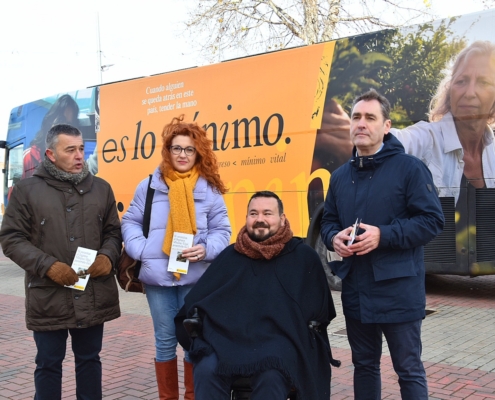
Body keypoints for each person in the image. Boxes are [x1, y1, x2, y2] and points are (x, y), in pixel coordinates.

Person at [320, 90, 444, 400]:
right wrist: (333, 237)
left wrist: (383, 235)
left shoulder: (410, 168)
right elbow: (327, 223)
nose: (361, 123)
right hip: (357, 291)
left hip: (399, 291)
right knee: (363, 366)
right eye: (356, 117)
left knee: (408, 368)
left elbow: (432, 221)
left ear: (386, 126)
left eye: (370, 118)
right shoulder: (339, 177)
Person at [175, 191, 339, 400]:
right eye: (253, 213)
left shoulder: (303, 257)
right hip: (227, 338)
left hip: (280, 340)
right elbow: (199, 301)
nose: (260, 219)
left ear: (282, 219)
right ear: (246, 218)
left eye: (267, 213)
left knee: (272, 372)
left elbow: (319, 312)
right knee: (207, 368)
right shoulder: (230, 255)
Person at [0, 123, 122, 400]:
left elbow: (113, 231)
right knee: (48, 363)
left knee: (90, 360)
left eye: (82, 149)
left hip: (92, 293)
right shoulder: (26, 191)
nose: (79, 155)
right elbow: (11, 239)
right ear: (51, 154)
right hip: (48, 295)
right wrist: (48, 266)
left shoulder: (101, 188)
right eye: (71, 150)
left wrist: (108, 256)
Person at [121, 114, 231, 400]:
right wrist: (141, 250)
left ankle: (193, 396)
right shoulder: (149, 186)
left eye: (189, 149)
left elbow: (223, 230)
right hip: (158, 280)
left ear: (198, 153)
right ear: (167, 151)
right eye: (177, 148)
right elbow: (130, 222)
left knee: (194, 343)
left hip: (196, 279)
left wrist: (207, 249)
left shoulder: (209, 188)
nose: (182, 154)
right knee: (165, 341)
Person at [392, 41, 495, 203]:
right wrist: (363, 134)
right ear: (450, 90)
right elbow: (394, 140)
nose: (469, 93)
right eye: (461, 81)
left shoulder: (493, 152)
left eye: (484, 82)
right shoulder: (428, 138)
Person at [22, 94, 80, 179]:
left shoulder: (74, 160)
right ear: (50, 121)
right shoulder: (30, 157)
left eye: (69, 125)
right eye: (61, 121)